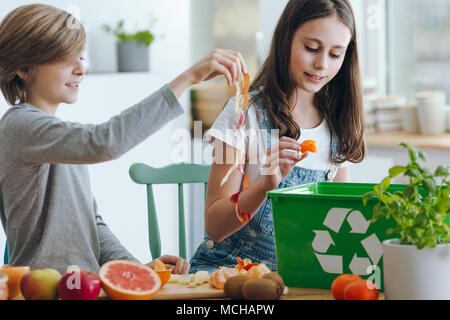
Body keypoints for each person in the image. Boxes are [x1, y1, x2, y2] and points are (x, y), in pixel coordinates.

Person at [0, 4, 247, 274]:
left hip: (85, 286)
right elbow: (105, 141)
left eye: (81, 58)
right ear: (23, 68)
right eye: (64, 59)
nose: (80, 70)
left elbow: (91, 224)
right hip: (45, 289)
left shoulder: (55, 136)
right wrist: (188, 78)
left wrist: (134, 268)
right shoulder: (19, 126)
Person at [189, 0, 366, 273]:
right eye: (311, 48)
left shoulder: (337, 124)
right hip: (227, 273)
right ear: (286, 39)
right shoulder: (242, 114)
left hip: (295, 277)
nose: (321, 64)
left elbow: (337, 218)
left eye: (335, 54)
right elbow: (214, 226)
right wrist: (263, 185)